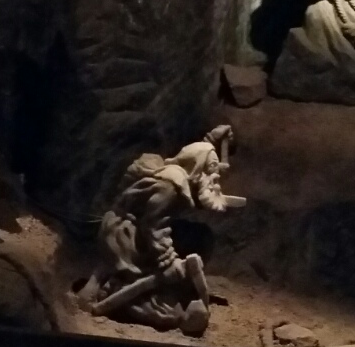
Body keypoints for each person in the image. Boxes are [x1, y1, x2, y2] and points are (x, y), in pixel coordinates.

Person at [79, 126, 240, 336]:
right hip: (127, 238)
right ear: (199, 169)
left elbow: (197, 156)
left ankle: (125, 280)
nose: (216, 178)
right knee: (170, 315)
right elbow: (153, 225)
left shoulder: (184, 172)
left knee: (200, 237)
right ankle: (115, 287)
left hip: (142, 232)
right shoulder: (170, 187)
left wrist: (212, 141)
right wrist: (169, 262)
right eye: (211, 171)